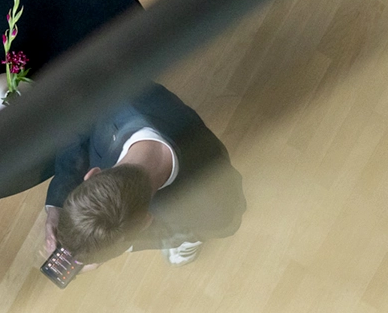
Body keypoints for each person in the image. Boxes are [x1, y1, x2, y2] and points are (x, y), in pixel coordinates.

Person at [39, 83, 246, 272]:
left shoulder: (213, 200)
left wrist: (123, 246)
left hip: (192, 191)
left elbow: (227, 224)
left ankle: (184, 240)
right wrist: (56, 205)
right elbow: (78, 124)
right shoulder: (112, 95)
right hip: (159, 113)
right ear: (92, 174)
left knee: (188, 229)